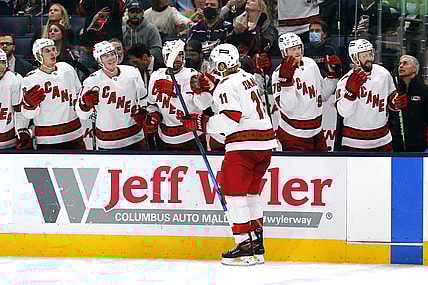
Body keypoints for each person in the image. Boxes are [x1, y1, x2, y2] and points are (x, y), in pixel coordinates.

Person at [180, 43, 277, 265]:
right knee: (252, 195)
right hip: (264, 145)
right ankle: (256, 244)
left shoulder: (226, 86)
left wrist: (200, 122)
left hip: (244, 146)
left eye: (216, 64)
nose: (214, 67)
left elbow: (230, 120)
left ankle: (244, 245)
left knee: (234, 196)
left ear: (224, 63)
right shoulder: (247, 76)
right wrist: (211, 87)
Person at [272, 32, 340, 152]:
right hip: (293, 135)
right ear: (284, 52)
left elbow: (323, 94)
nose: (297, 52)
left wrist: (332, 75)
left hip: (317, 132)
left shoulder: (310, 64)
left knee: (323, 169)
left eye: (299, 47)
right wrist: (286, 84)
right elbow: (288, 106)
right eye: (292, 49)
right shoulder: (278, 74)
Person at [76, 41, 149, 150]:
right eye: (105, 56)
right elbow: (82, 114)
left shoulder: (133, 72)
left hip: (135, 136)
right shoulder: (91, 81)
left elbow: (143, 97)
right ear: (99, 60)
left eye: (112, 54)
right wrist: (86, 105)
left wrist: (143, 111)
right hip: (108, 142)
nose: (111, 58)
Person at [145, 39, 212, 150]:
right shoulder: (156, 76)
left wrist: (175, 92)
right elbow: (152, 105)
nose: (177, 59)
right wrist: (154, 116)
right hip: (165, 138)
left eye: (180, 55)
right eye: (173, 55)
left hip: (191, 137)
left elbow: (203, 105)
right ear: (165, 57)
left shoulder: (193, 75)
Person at [21, 38, 85, 149]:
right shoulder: (30, 79)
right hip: (48, 139)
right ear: (38, 55)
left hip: (74, 134)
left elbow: (79, 95)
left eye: (53, 49)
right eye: (47, 51)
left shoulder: (67, 69)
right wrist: (30, 105)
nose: (52, 53)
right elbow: (28, 115)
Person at [335, 39, 396, 152]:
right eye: (364, 55)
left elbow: (391, 100)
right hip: (355, 143)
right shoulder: (345, 81)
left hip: (383, 140)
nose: (369, 58)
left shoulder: (384, 74)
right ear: (354, 58)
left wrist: (395, 103)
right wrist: (350, 93)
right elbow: (343, 112)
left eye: (370, 54)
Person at [225, 0, 277, 75]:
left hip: (258, 67)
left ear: (260, 7)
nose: (248, 1)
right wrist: (236, 34)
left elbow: (262, 47)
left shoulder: (267, 27)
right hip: (236, 64)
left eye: (252, 0)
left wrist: (244, 32)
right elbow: (227, 44)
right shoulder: (239, 23)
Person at [389, 55, 428, 152]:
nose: (401, 66)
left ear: (415, 68)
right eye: (400, 64)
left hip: (419, 148)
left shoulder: (424, 90)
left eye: (405, 63)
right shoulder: (393, 90)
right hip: (395, 147)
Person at [0, 49, 32, 149]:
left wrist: (20, 132)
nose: (1, 66)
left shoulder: (15, 80)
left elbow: (20, 111)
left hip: (9, 142)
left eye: (3, 62)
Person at [187, 0, 233, 68]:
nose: (208, 7)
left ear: (219, 10)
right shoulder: (195, 28)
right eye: (206, 4)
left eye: (212, 5)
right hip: (197, 66)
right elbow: (188, 50)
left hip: (221, 66)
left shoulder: (227, 27)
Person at [122, 0, 163, 68]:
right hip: (127, 65)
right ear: (128, 13)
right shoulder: (122, 30)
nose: (135, 14)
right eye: (132, 12)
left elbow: (157, 50)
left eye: (138, 12)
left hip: (146, 63)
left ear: (143, 13)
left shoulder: (151, 28)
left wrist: (140, 57)